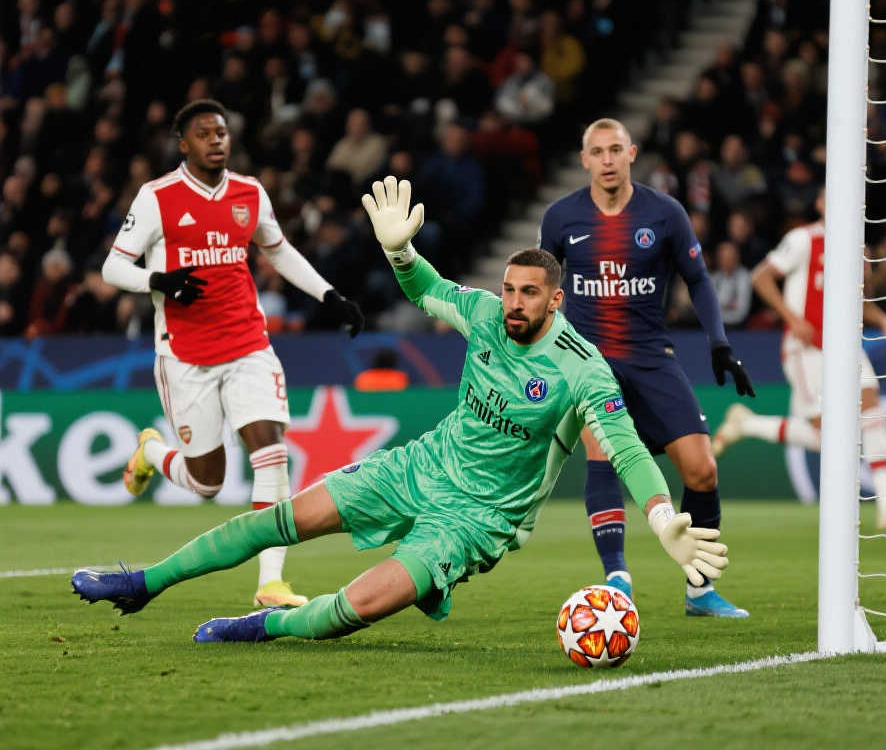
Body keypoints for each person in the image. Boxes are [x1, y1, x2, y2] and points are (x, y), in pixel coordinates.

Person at [71, 176, 730, 643]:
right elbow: (427, 289)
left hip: (476, 520)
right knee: (280, 520)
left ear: (556, 300)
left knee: (355, 608)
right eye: (508, 289)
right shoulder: (485, 315)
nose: (513, 302)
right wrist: (400, 252)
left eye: (529, 293)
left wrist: (662, 517)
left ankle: (268, 624)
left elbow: (625, 447)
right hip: (420, 467)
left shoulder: (582, 367)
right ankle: (144, 582)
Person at [99, 99, 365, 609]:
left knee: (271, 452)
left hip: (248, 344)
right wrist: (158, 280)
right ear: (184, 144)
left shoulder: (249, 192)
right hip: (185, 355)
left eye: (221, 132)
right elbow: (113, 267)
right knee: (207, 483)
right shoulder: (157, 197)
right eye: (204, 134)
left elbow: (277, 248)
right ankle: (151, 451)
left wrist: (328, 294)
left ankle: (271, 583)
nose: (215, 140)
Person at [538, 118, 755, 618]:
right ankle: (617, 578)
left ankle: (700, 589)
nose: (608, 160)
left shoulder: (664, 213)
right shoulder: (561, 217)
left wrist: (719, 342)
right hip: (590, 362)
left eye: (616, 150)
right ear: (584, 160)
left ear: (632, 153)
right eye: (598, 152)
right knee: (602, 452)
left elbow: (698, 279)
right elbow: (541, 283)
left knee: (702, 469)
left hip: (652, 357)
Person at [712, 190, 886, 530]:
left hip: (846, 346)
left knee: (872, 408)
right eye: (830, 198)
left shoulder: (859, 248)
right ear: (820, 204)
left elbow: (859, 301)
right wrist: (792, 319)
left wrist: (882, 319)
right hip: (806, 348)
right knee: (827, 436)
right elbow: (760, 277)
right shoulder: (803, 239)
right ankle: (748, 424)